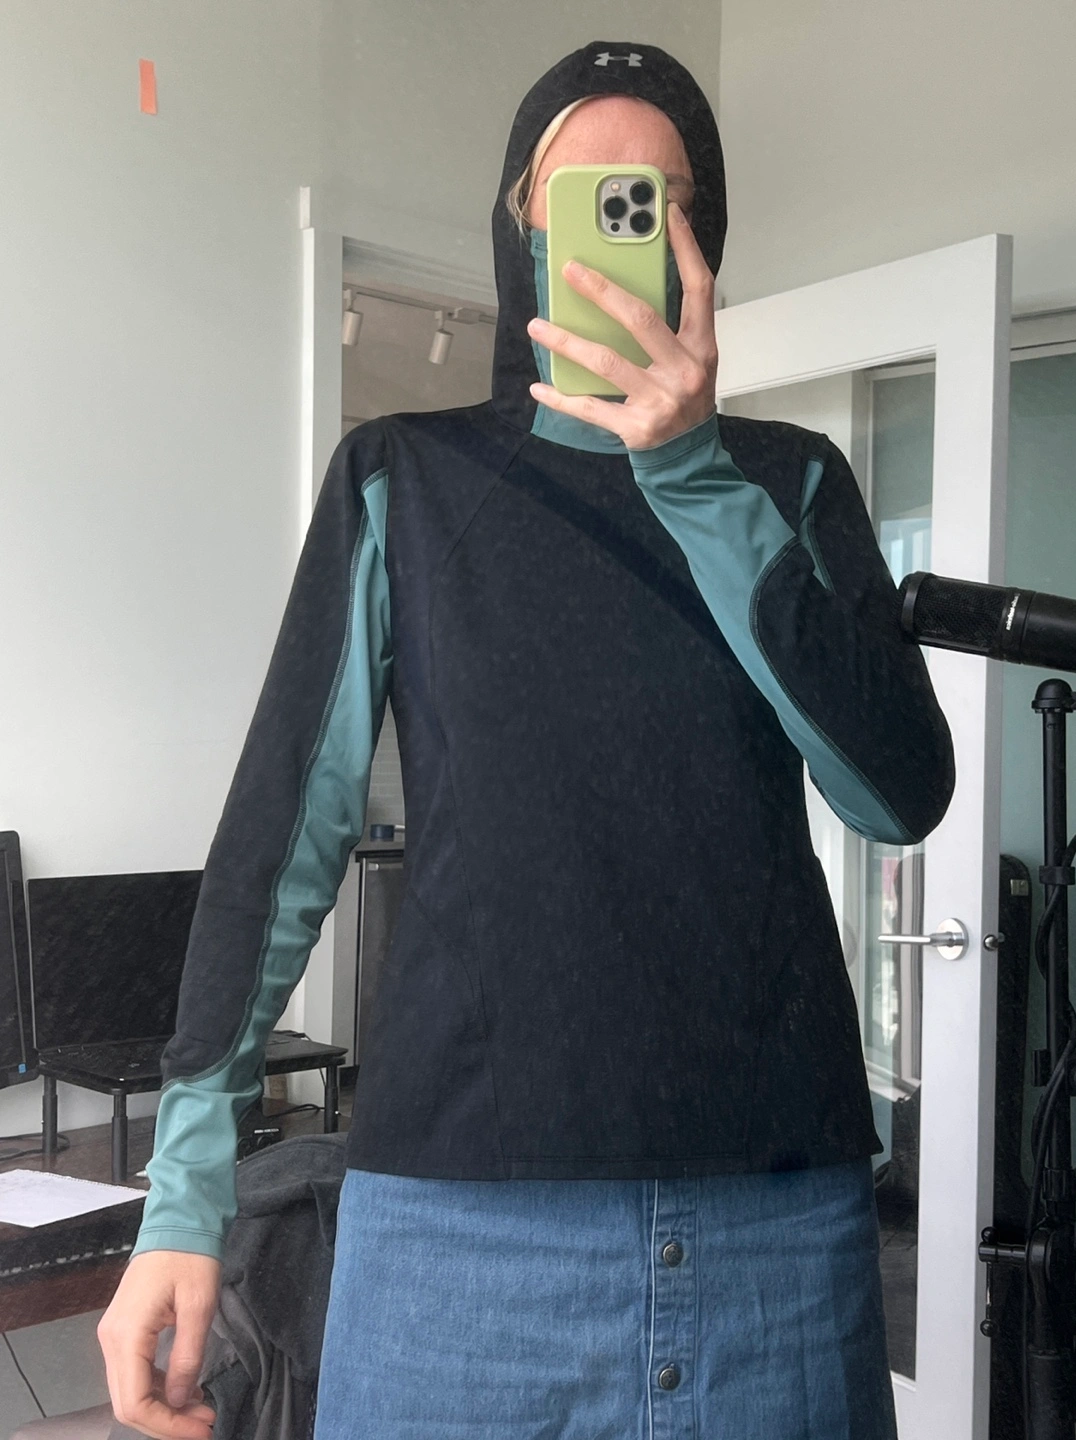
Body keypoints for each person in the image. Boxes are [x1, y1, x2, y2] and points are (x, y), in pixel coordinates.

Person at [97, 39, 954, 1440]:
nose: (617, 233)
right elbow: (281, 845)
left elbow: (897, 790)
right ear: (519, 231)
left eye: (655, 200)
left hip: (773, 1231)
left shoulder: (792, 482)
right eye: (578, 197)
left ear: (702, 244)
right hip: (456, 1234)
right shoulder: (402, 477)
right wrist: (184, 1195)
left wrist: (691, 478)